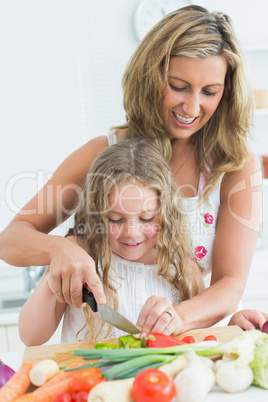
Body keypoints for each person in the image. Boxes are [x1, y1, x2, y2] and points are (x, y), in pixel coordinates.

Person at [0, 5, 262, 335]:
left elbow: (230, 284)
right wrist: (62, 249)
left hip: (174, 347)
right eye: (179, 86)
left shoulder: (236, 166)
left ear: (226, 93)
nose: (192, 107)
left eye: (210, 91)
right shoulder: (104, 154)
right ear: (152, 77)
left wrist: (176, 318)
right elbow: (11, 239)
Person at [18, 139, 203, 345]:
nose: (132, 233)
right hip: (89, 376)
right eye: (115, 219)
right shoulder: (78, 254)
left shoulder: (179, 263)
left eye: (147, 218)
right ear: (95, 214)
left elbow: (205, 334)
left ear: (166, 213)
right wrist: (58, 265)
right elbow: (30, 336)